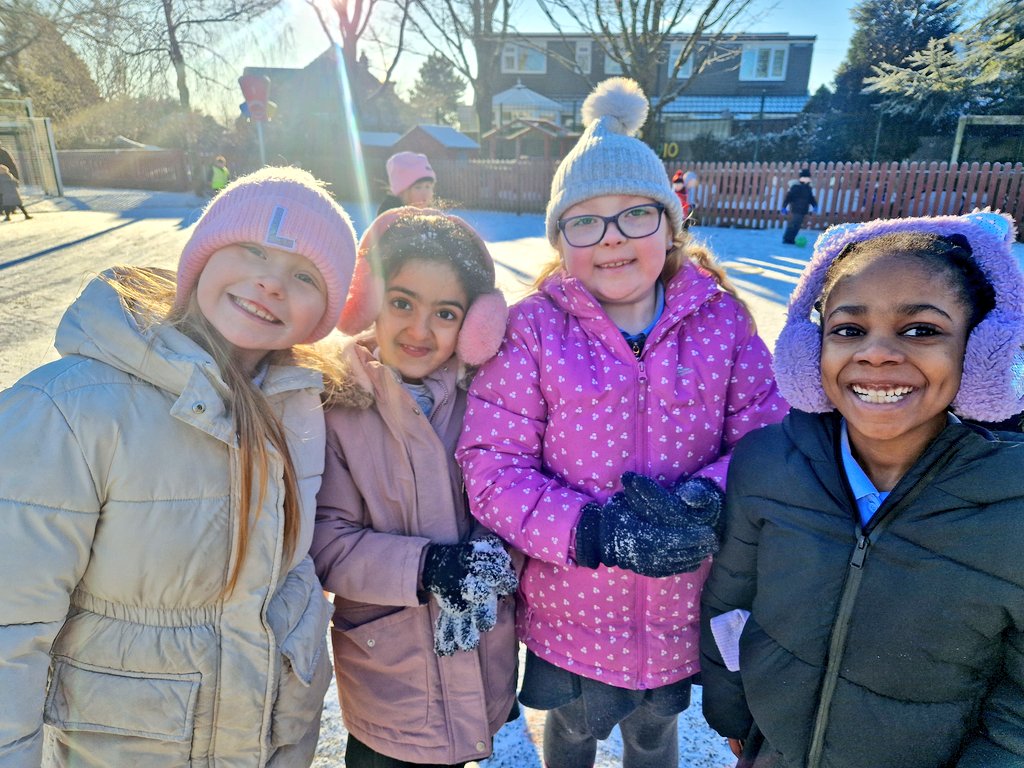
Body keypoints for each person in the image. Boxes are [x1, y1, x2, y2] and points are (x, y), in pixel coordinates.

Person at [455, 77, 786, 768]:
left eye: (634, 215)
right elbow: (492, 466)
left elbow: (766, 438)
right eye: (585, 221)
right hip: (569, 610)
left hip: (677, 610)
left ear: (669, 225)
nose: (611, 238)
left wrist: (707, 498)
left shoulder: (721, 322)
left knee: (654, 736)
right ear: (560, 237)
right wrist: (590, 530)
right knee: (571, 732)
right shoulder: (532, 331)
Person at [0, 166, 359, 765]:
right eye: (253, 249)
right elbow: (9, 625)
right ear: (202, 256)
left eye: (304, 275)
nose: (271, 282)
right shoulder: (68, 409)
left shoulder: (301, 406)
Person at [700, 211, 1024, 768]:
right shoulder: (766, 463)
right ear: (809, 351)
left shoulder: (1013, 507)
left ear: (982, 353)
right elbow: (730, 602)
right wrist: (732, 714)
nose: (875, 353)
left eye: (921, 330)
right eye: (849, 330)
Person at [311, 207, 518, 767]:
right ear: (368, 301)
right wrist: (425, 567)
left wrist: (496, 555)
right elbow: (325, 542)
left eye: (445, 313)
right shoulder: (335, 406)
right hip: (392, 682)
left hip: (479, 660)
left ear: (474, 326)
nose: (420, 330)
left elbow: (515, 502)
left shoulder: (492, 401)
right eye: (402, 303)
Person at [377, 151, 436, 216]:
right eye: (418, 187)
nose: (425, 193)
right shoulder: (391, 215)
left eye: (428, 186)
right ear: (402, 191)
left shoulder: (431, 214)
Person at [780, 167, 816, 244]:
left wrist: (814, 205)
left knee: (797, 225)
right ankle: (787, 239)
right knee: (794, 224)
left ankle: (791, 239)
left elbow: (811, 198)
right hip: (796, 209)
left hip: (803, 209)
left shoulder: (808, 188)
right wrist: (784, 207)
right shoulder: (796, 187)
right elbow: (788, 197)